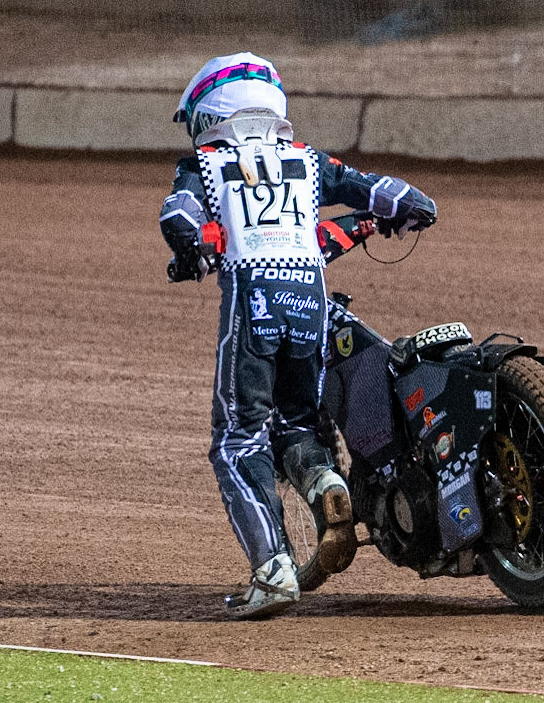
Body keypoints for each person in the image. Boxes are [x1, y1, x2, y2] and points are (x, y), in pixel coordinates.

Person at [159, 52, 437, 619]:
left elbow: (180, 216)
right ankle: (322, 481)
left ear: (209, 110)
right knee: (295, 421)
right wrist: (408, 211)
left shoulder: (204, 164)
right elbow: (391, 193)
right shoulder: (307, 161)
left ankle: (274, 569)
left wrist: (193, 249)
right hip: (309, 303)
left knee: (237, 440)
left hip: (252, 304)